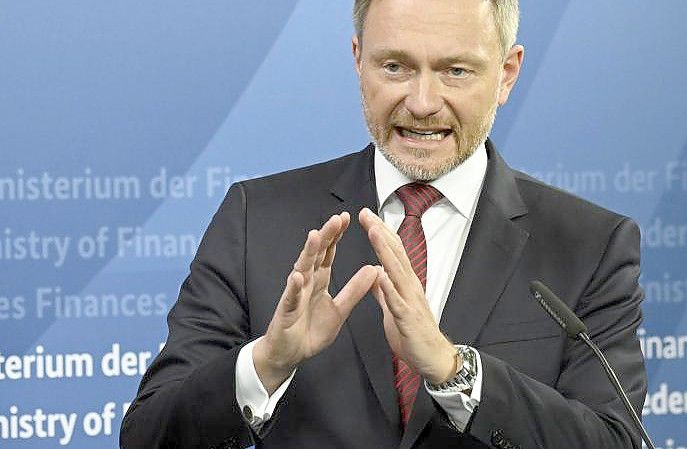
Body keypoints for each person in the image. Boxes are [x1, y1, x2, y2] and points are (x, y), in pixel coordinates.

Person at [120, 1, 648, 448]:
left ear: (507, 73)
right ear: (357, 59)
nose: (421, 103)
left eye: (455, 71)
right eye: (394, 66)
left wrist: (453, 370)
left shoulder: (590, 245)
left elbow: (614, 439)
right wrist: (264, 364)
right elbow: (147, 434)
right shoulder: (255, 220)